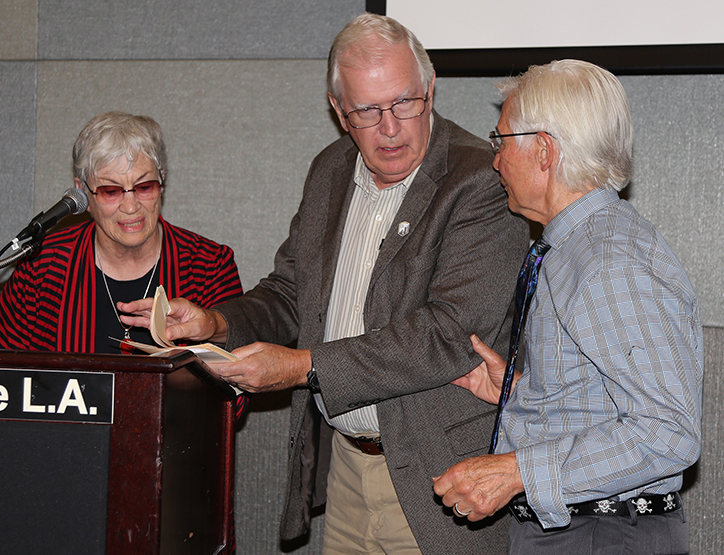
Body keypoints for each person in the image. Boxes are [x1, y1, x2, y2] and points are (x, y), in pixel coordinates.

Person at [120, 14, 529, 554]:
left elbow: (447, 335)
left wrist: (301, 366)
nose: (389, 127)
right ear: (339, 111)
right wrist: (217, 322)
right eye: (366, 110)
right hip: (346, 470)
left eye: (405, 103)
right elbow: (291, 292)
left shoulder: (480, 178)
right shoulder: (330, 170)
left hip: (440, 477)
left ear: (430, 90)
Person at [432, 60, 703, 554]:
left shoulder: (608, 261)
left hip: (603, 536)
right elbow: (611, 395)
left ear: (543, 150)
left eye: (502, 141)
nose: (495, 161)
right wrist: (525, 393)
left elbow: (668, 433)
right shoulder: (581, 247)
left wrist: (515, 471)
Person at [0, 111, 243, 354]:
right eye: (111, 191)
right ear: (82, 192)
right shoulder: (42, 266)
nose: (130, 206)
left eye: (144, 187)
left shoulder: (210, 265)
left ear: (161, 184)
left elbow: (238, 387)